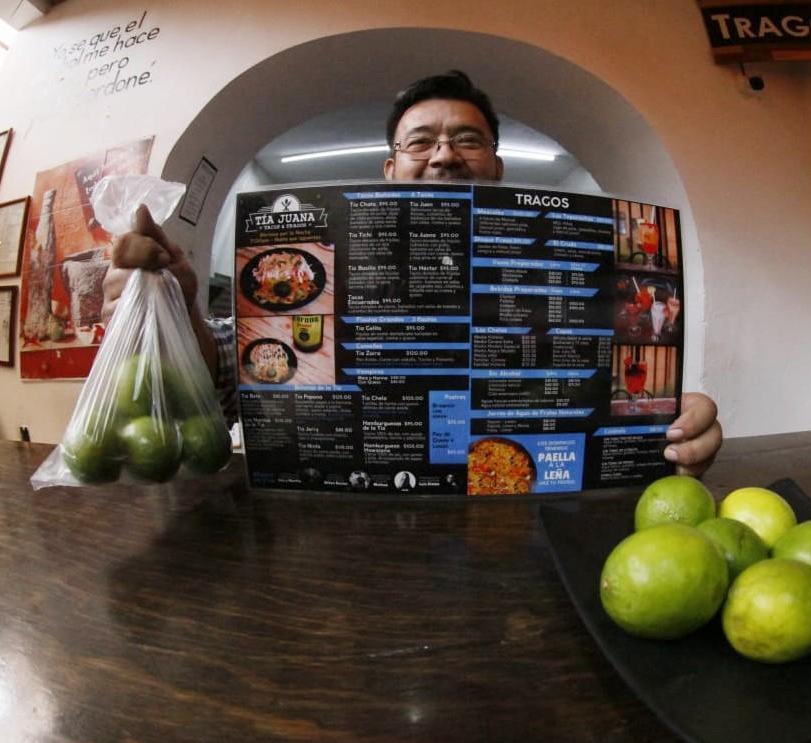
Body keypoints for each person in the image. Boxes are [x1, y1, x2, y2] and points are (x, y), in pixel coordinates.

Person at [104, 70, 722, 476]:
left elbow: (619, 392)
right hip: (347, 539)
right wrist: (173, 309)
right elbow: (228, 380)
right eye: (421, 142)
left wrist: (669, 427)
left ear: (497, 167)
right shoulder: (322, 261)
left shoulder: (567, 274)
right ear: (391, 169)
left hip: (520, 528)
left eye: (468, 140)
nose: (445, 155)